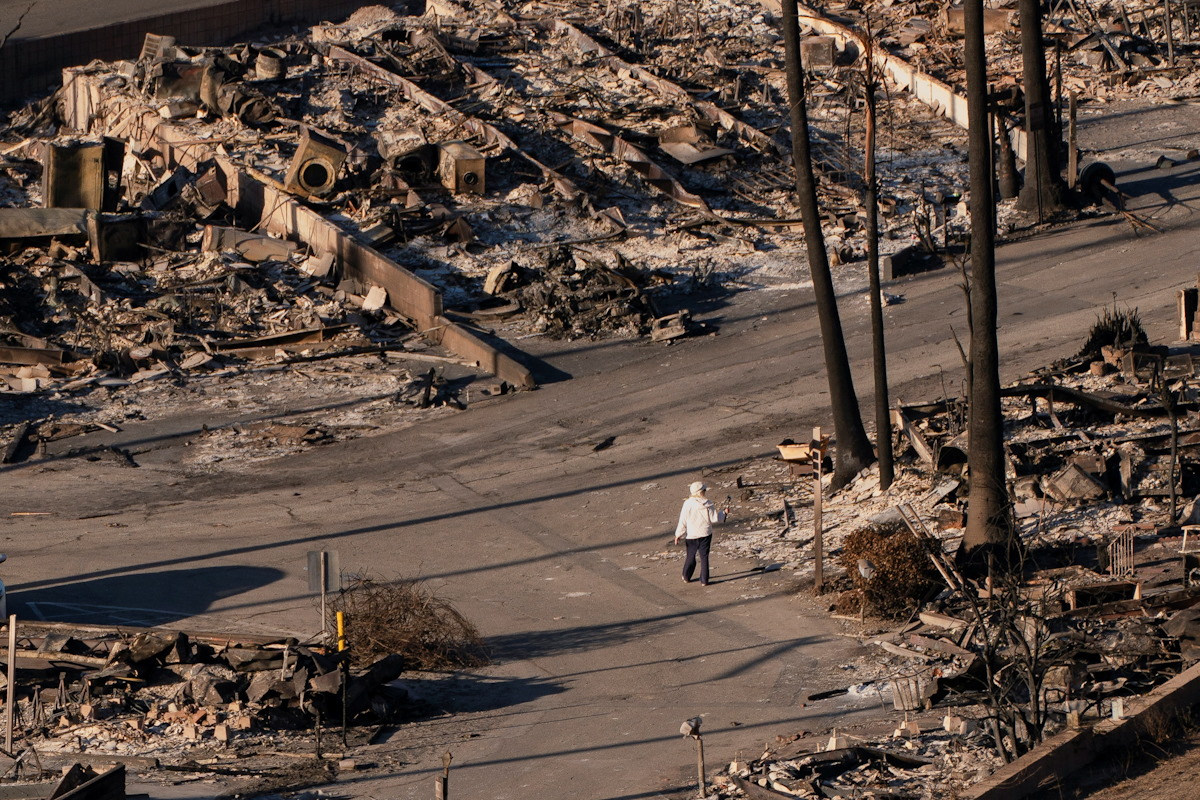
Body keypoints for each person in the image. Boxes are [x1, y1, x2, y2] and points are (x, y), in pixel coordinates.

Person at [674, 481, 728, 586]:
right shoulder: (708, 503)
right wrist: (724, 513)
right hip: (706, 534)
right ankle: (704, 580)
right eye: (704, 490)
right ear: (702, 492)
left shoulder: (687, 504)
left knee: (690, 556)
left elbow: (683, 521)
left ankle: (686, 576)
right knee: (704, 557)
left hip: (692, 535)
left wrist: (678, 534)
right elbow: (714, 519)